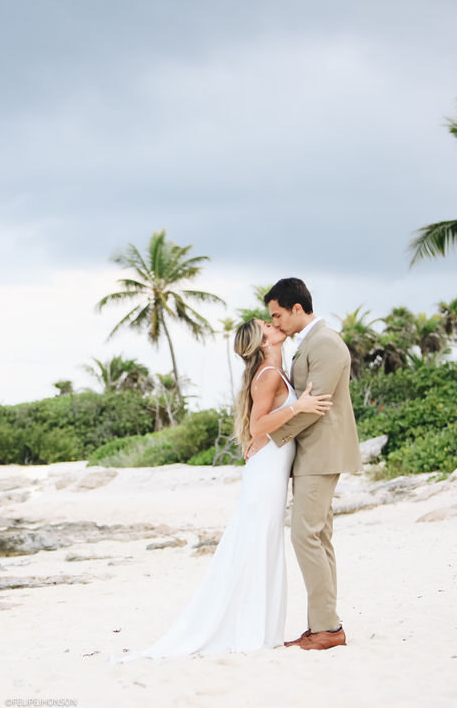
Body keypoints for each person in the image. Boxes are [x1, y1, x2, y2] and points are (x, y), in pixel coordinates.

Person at [113, 318, 332, 661]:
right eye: (267, 326)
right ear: (263, 342)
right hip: (267, 471)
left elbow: (260, 426)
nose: (274, 325)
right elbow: (259, 427)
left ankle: (259, 628)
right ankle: (250, 630)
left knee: (264, 542)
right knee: (257, 541)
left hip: (272, 467)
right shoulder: (269, 375)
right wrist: (298, 407)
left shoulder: (276, 370)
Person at [263, 277, 361, 651]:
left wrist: (271, 438)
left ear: (297, 309)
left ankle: (327, 629)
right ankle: (324, 624)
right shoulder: (307, 343)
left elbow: (315, 405)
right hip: (311, 453)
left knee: (304, 535)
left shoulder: (326, 343)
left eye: (277, 315)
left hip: (321, 453)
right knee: (318, 537)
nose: (275, 323)